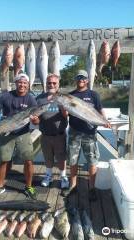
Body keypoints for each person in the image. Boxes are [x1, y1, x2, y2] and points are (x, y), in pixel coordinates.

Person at [0, 73, 38, 199]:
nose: (22, 85)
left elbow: (36, 121)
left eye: (25, 83)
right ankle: (0, 186)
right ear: (15, 83)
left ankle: (29, 186)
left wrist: (36, 120)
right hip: (6, 132)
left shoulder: (31, 99)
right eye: (20, 82)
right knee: (4, 160)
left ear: (28, 85)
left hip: (23, 133)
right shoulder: (6, 96)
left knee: (29, 160)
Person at [62, 70, 110, 201]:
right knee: (72, 160)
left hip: (90, 133)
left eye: (83, 78)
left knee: (92, 161)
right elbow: (65, 115)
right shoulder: (70, 95)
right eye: (78, 77)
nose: (81, 80)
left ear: (87, 80)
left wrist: (105, 121)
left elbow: (99, 109)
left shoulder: (93, 94)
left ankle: (92, 188)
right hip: (74, 132)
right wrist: (62, 107)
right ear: (75, 79)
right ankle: (73, 186)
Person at [31, 73, 69, 189]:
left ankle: (63, 176)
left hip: (59, 134)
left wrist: (62, 105)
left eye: (54, 83)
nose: (51, 85)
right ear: (46, 84)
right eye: (49, 83)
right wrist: (35, 120)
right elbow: (35, 120)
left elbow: (66, 115)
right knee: (47, 157)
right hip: (45, 134)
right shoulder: (39, 99)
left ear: (58, 84)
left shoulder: (63, 97)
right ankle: (48, 175)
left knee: (61, 157)